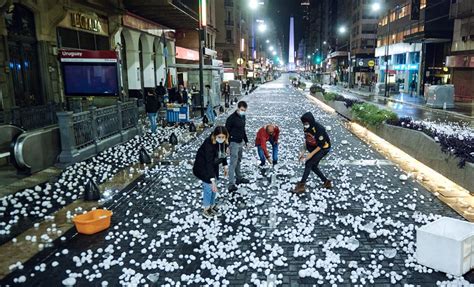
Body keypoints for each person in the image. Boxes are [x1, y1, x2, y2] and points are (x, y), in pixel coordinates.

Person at [193, 126, 229, 218]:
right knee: (209, 187)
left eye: (223, 137)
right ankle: (206, 209)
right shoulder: (208, 143)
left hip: (213, 165)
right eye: (219, 137)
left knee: (213, 188)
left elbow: (223, 154)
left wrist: (225, 166)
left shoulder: (223, 142)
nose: (221, 139)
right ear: (215, 135)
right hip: (203, 166)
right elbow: (208, 162)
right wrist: (212, 180)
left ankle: (212, 206)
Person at [295, 112, 332, 193]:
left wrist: (309, 155)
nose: (305, 125)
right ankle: (326, 182)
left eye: (306, 123)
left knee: (309, 163)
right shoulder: (306, 128)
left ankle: (301, 185)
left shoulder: (319, 129)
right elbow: (307, 140)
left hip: (323, 148)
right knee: (313, 166)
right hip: (314, 145)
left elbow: (321, 145)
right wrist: (302, 152)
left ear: (311, 121)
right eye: (304, 123)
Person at [225, 101, 250, 192]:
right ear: (238, 108)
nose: (243, 112)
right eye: (242, 110)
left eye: (245, 110)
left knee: (238, 160)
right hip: (233, 143)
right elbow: (226, 132)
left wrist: (246, 141)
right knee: (233, 163)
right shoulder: (231, 119)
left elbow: (243, 130)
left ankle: (239, 178)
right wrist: (226, 146)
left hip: (240, 142)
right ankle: (231, 184)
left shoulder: (243, 117)